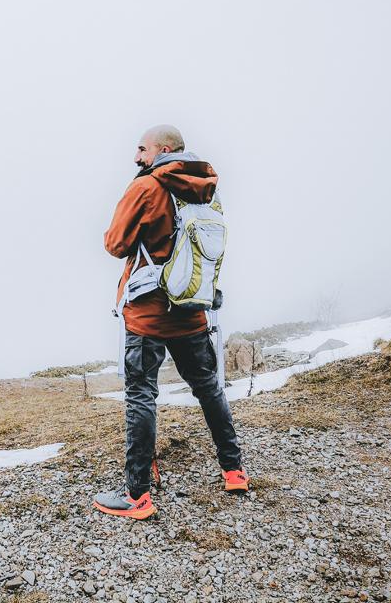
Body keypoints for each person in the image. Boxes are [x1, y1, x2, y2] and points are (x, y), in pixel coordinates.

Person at [93, 125, 248, 520]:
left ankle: (136, 495)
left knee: (141, 395)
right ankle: (234, 471)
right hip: (193, 309)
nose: (136, 157)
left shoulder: (146, 187)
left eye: (141, 149)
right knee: (209, 388)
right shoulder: (202, 188)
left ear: (163, 150)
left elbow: (115, 244)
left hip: (148, 314)